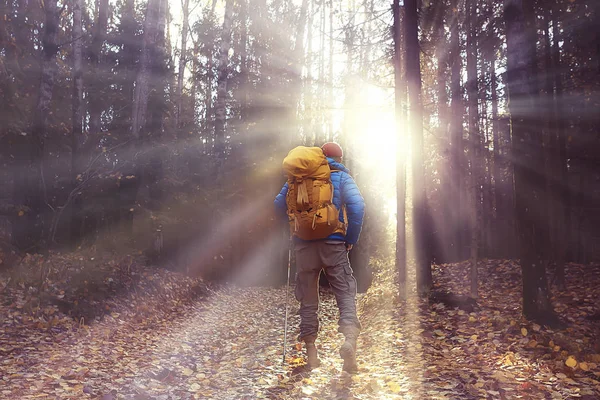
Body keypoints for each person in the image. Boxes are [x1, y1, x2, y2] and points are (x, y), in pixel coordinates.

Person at [274, 142, 366, 373]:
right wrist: (350, 238)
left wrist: (295, 225)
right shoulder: (342, 178)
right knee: (345, 292)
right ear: (340, 158)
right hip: (334, 243)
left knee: (307, 299)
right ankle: (349, 343)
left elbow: (277, 205)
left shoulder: (298, 178)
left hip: (304, 246)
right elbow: (358, 206)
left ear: (322, 156)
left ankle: (311, 355)